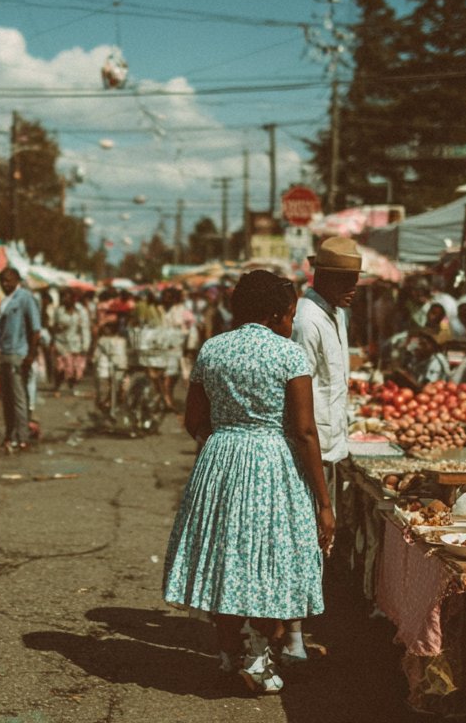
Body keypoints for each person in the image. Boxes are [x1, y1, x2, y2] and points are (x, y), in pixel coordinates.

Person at [162, 270, 333, 695]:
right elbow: (306, 431)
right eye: (291, 314)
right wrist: (324, 502)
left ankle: (226, 654)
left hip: (220, 459)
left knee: (227, 558)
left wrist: (224, 440)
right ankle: (257, 657)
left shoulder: (212, 349)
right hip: (272, 463)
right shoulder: (288, 355)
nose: (292, 323)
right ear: (276, 314)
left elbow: (193, 421)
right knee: (268, 561)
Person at [286, 236, 361, 663]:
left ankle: (299, 629)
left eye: (356, 279)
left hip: (332, 442)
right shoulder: (307, 320)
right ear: (324, 277)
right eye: (345, 279)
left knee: (318, 543)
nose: (353, 287)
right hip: (311, 445)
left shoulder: (336, 315)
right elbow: (300, 395)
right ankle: (292, 636)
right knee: (306, 538)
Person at [0, 268, 40, 455]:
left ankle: (23, 437)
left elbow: (35, 330)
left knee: (19, 399)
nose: (5, 284)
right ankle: (9, 435)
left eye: (8, 280)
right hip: (4, 353)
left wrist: (30, 355)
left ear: (16, 280)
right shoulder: (5, 300)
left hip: (18, 354)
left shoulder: (25, 298)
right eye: (2, 281)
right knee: (7, 399)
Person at [50, 290, 92, 396]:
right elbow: (53, 326)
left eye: (67, 297)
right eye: (63, 297)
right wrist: (57, 329)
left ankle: (71, 385)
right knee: (60, 367)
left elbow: (85, 329)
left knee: (74, 369)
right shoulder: (59, 311)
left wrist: (85, 345)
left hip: (75, 344)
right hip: (60, 343)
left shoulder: (81, 311)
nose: (65, 300)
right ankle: (57, 386)